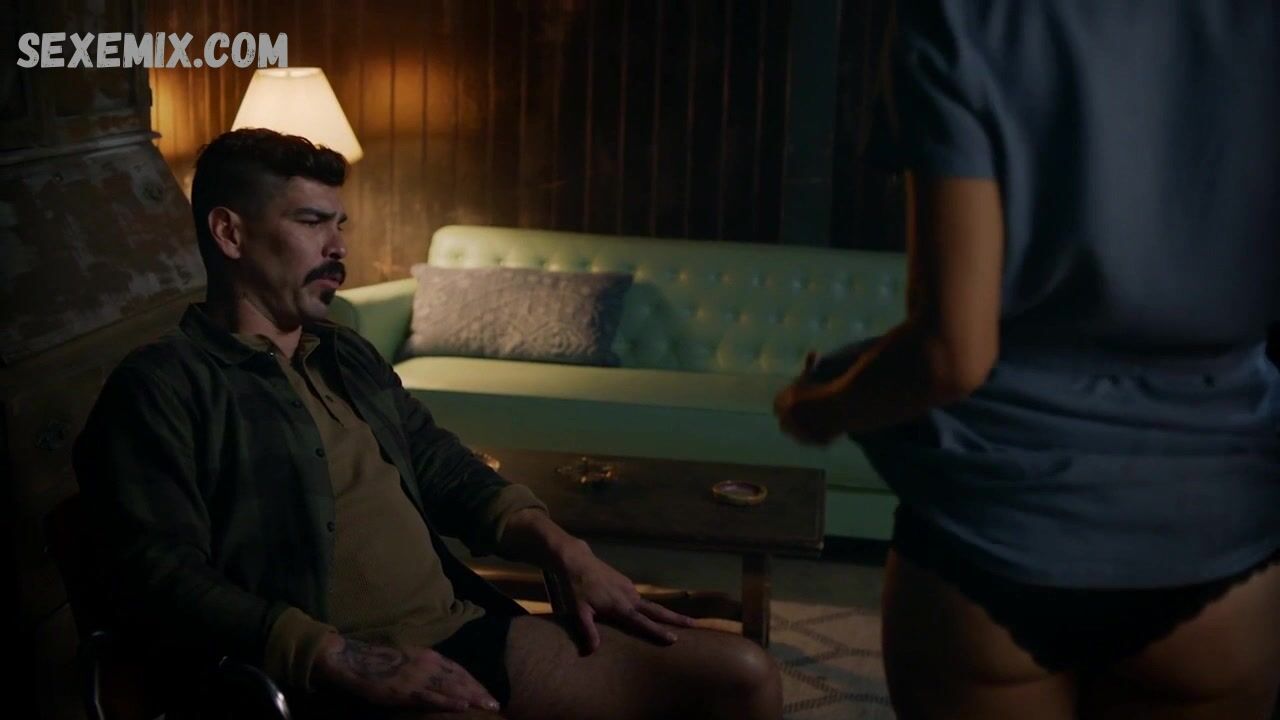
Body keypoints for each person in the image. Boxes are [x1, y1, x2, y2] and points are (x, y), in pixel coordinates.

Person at [72, 128, 781, 720]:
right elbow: (158, 575)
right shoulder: (163, 386)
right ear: (230, 233)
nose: (338, 246)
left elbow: (438, 461)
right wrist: (339, 656)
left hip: (462, 629)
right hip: (331, 675)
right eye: (312, 222)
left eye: (340, 224)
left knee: (743, 675)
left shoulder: (344, 352)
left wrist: (563, 548)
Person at [774, 1, 1280, 718]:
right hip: (1217, 528)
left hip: (993, 535)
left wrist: (818, 409)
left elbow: (953, 354)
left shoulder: (964, 17)